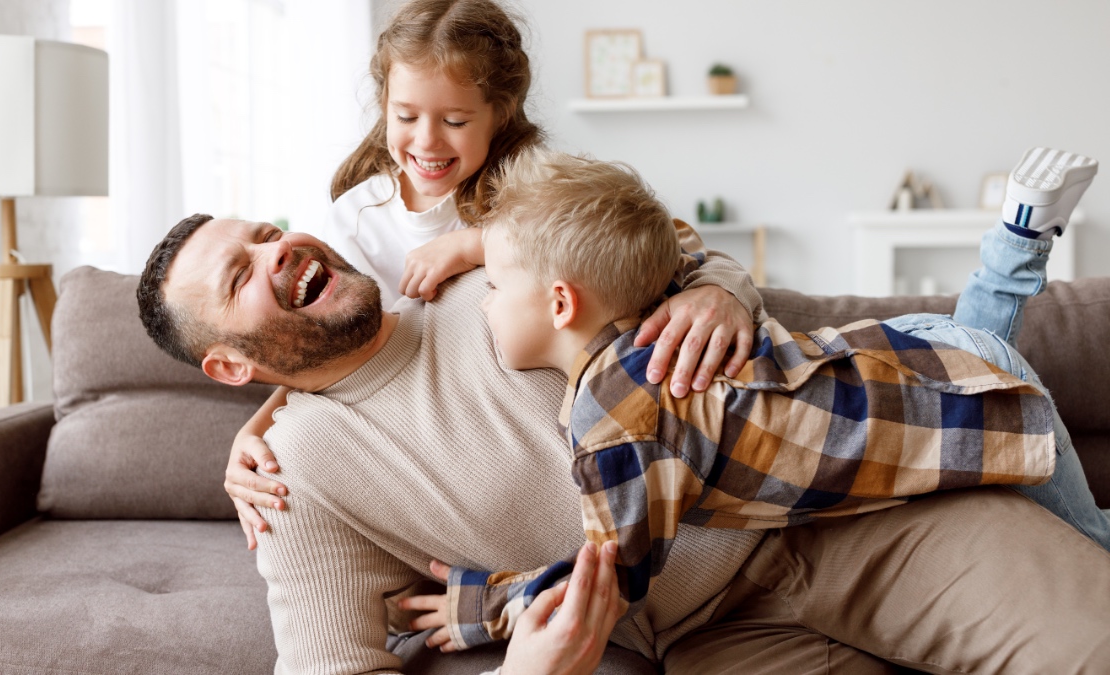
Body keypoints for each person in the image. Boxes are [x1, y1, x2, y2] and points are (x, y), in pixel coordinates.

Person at [137, 213, 1110, 672]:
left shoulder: (493, 273)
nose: (279, 252)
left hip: (843, 510)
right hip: (713, 642)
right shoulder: (293, 476)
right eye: (242, 276)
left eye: (267, 231)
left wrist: (719, 286)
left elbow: (674, 241)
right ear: (229, 367)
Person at [389, 147, 1108, 651]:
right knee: (977, 347)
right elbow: (654, 236)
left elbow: (612, 580)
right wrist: (475, 245)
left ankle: (1020, 239)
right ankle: (1019, 231)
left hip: (953, 395)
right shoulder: (651, 322)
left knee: (1093, 545)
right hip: (922, 353)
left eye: (492, 289)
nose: (483, 308)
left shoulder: (617, 421)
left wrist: (492, 605)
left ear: (558, 301)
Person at [226, 0, 762, 551]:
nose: (427, 142)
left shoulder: (532, 189)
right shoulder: (355, 220)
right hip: (439, 446)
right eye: (406, 116)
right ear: (383, 104)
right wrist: (255, 429)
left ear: (500, 113)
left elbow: (663, 245)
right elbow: (323, 353)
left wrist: (477, 243)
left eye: (455, 121)